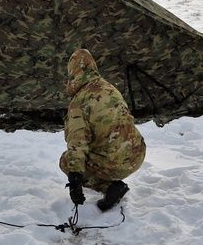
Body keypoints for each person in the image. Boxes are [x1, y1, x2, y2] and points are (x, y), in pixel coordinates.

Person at [60, 49, 146, 212]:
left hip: (115, 164)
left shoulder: (79, 103)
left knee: (65, 161)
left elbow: (76, 146)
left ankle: (108, 187)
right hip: (137, 154)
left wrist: (75, 181)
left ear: (72, 73)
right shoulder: (110, 88)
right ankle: (113, 184)